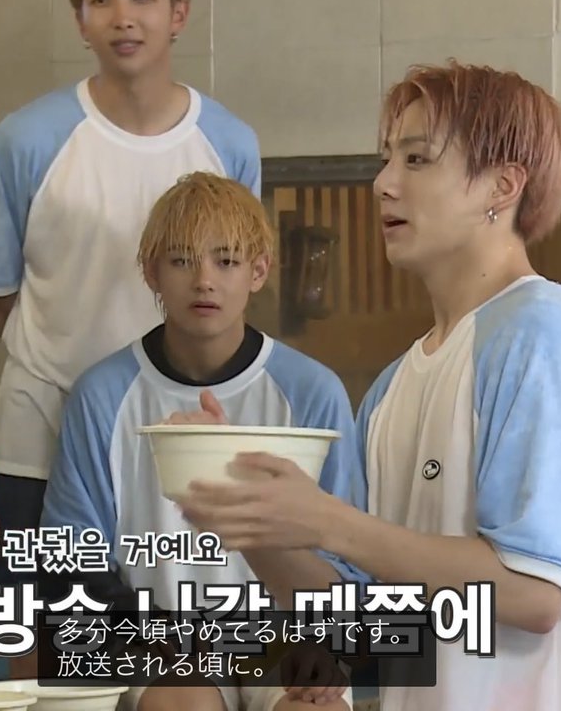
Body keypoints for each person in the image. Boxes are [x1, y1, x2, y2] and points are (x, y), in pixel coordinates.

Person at [176, 62, 561, 711]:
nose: (383, 183)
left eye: (417, 158)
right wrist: (251, 515)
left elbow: (534, 593)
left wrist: (328, 520)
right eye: (386, 159)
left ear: (502, 185)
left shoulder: (544, 332)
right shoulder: (392, 388)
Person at [0, 0, 260, 678]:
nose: (123, 17)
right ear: (80, 19)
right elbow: (1, 292)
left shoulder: (230, 142)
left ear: (179, 12)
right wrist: (64, 367)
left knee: (166, 653)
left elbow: (236, 285)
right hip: (40, 432)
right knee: (36, 646)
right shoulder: (26, 139)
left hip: (170, 439)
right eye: (101, 0)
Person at [38, 172, 358, 711]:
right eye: (182, 260)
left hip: (278, 640)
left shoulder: (312, 390)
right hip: (151, 643)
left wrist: (327, 646)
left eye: (226, 261)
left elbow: (348, 561)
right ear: (151, 272)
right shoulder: (102, 394)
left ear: (258, 271)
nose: (204, 280)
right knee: (186, 703)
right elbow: (70, 559)